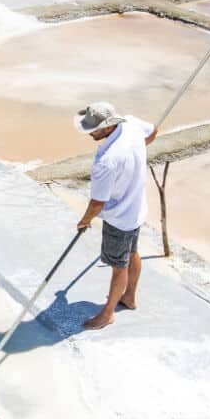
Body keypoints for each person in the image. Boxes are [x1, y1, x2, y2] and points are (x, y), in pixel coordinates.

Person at [74, 102, 158, 330]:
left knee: (118, 265)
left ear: (108, 127)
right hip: (136, 208)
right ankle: (129, 297)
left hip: (119, 217)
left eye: (94, 129)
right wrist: (136, 154)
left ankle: (107, 314)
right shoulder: (131, 125)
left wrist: (85, 220)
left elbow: (98, 202)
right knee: (132, 252)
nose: (90, 132)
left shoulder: (107, 161)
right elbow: (153, 131)